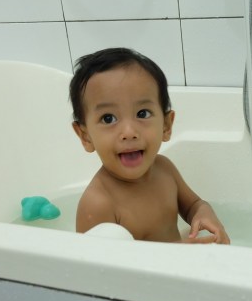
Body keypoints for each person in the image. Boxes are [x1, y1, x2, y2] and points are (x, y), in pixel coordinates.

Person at [69, 47, 230, 244]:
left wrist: (203, 213)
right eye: (108, 118)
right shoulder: (98, 204)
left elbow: (194, 205)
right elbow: (95, 263)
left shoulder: (165, 169)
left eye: (142, 113)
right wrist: (179, 251)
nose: (129, 132)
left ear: (166, 125)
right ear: (85, 136)